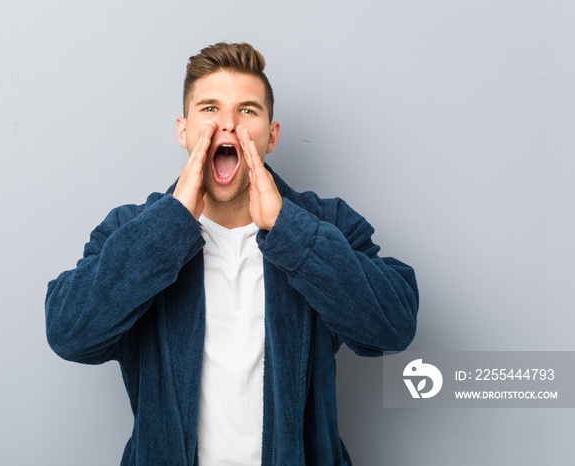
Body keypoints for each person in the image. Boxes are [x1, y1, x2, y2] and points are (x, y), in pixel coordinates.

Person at [45, 42, 419, 466]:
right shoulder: (130, 230)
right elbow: (69, 333)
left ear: (271, 136)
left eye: (246, 111)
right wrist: (170, 224)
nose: (228, 125)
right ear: (183, 131)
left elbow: (393, 327)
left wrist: (288, 230)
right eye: (209, 109)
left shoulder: (325, 222)